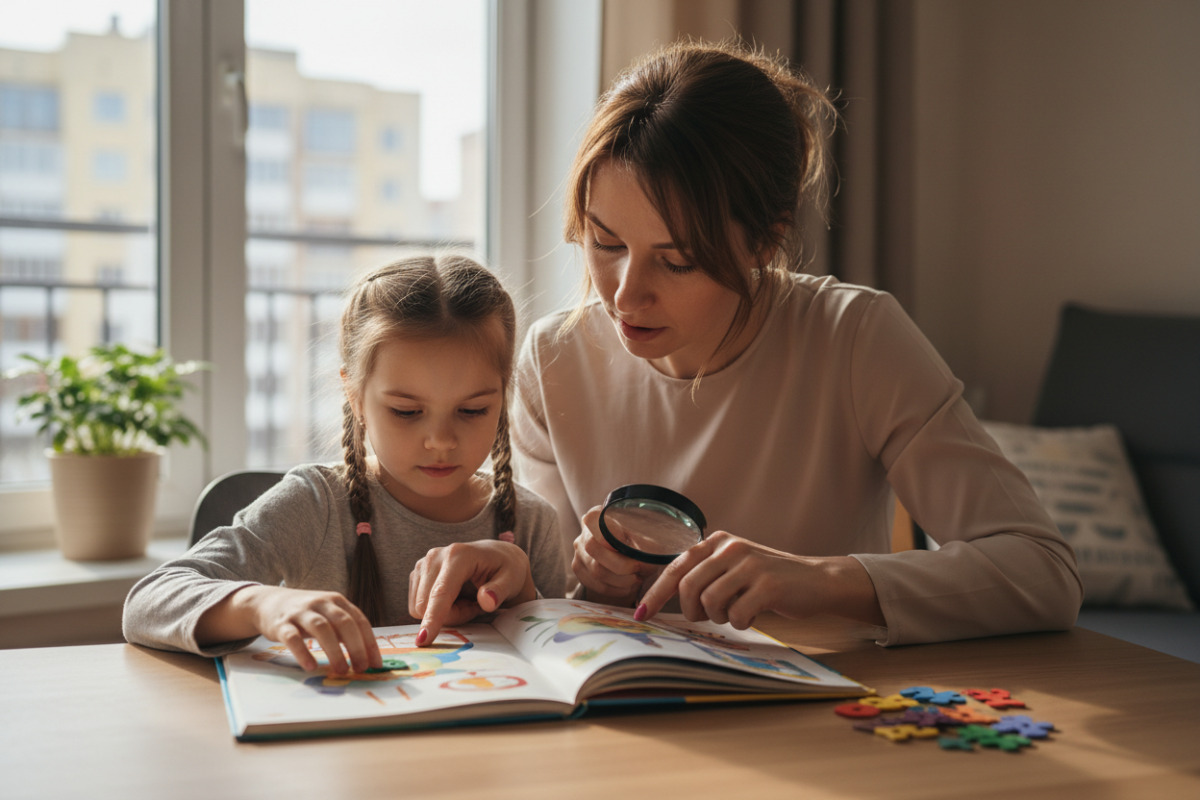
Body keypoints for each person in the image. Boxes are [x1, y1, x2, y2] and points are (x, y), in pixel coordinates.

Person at [511, 39, 1081, 646]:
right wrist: (600, 586)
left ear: (764, 240)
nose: (626, 296)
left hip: (827, 717)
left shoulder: (855, 338)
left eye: (676, 262)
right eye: (606, 244)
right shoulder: (553, 361)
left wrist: (818, 580)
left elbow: (1043, 572)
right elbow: (547, 612)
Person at [124, 254, 566, 673]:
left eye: (472, 411)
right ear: (355, 398)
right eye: (406, 412)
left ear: (503, 395)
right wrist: (263, 605)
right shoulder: (317, 506)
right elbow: (148, 601)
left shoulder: (532, 524)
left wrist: (524, 594)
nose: (441, 441)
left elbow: (564, 663)